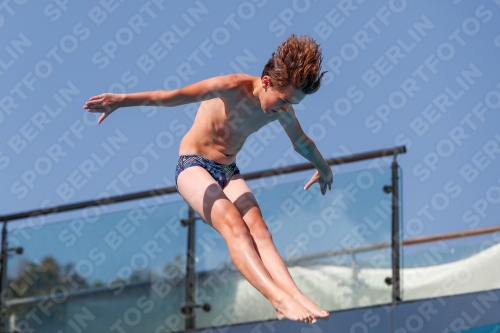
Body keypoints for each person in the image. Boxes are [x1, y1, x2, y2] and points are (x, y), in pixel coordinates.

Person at [84, 34, 333, 323]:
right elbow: (170, 97)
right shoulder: (229, 87)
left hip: (228, 170)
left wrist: (324, 168)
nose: (284, 108)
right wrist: (121, 101)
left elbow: (301, 142)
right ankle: (277, 300)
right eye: (284, 100)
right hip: (193, 165)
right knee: (234, 224)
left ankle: (295, 296)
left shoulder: (282, 109)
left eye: (292, 104)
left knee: (260, 231)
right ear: (266, 82)